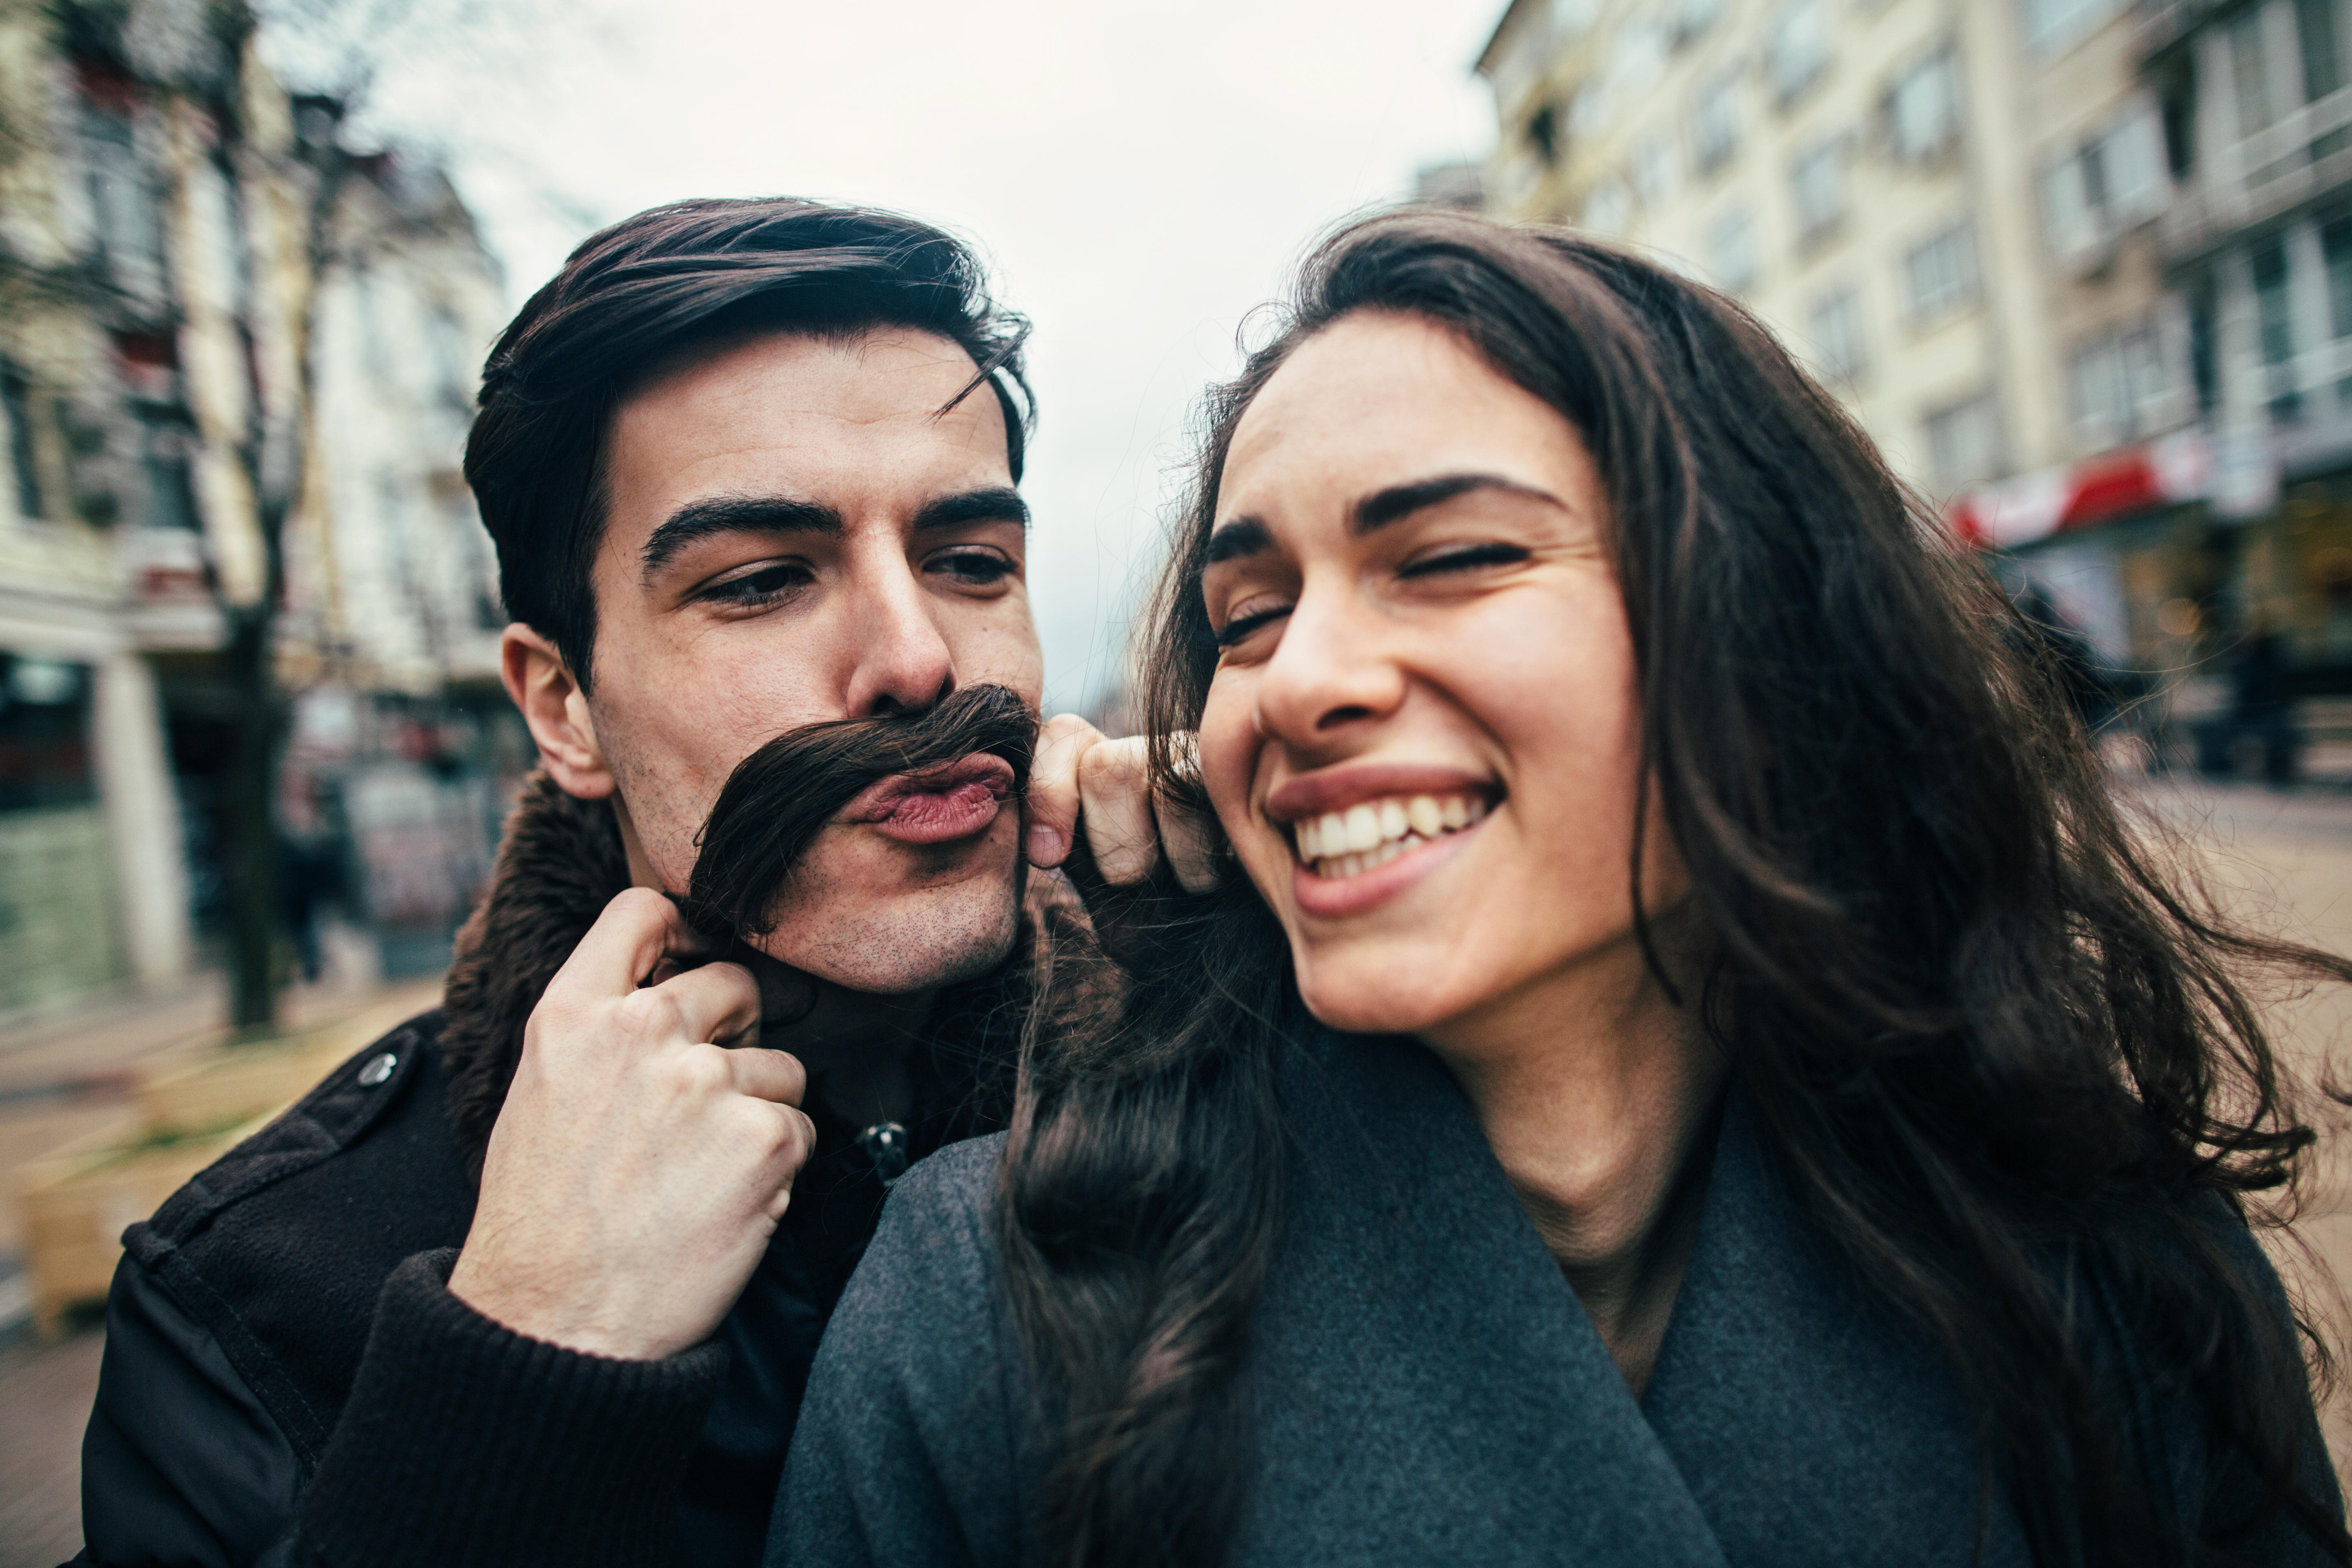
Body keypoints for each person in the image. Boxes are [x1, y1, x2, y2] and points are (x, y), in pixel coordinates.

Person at [779, 212, 2352, 1567]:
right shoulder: (988, 1313)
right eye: (1247, 613)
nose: (1296, 678)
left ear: (1766, 635)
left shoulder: (2103, 1283)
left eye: (1452, 557)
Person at [72, 198, 1202, 1568]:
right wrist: (525, 1362)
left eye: (971, 564)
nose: (917, 661)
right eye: (762, 581)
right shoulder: (263, 1297)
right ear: (563, 707)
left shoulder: (1223, 1061)